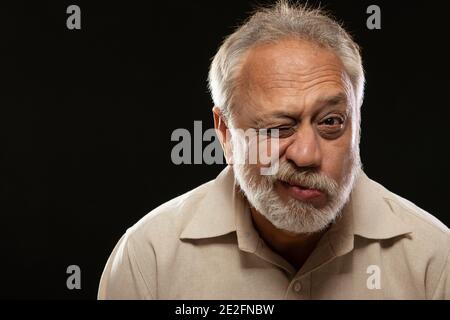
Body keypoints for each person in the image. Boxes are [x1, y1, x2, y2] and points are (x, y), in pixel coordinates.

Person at [98, 0, 449, 299]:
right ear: (224, 133)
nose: (307, 155)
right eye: (278, 128)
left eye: (330, 122)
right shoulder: (149, 258)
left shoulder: (435, 258)